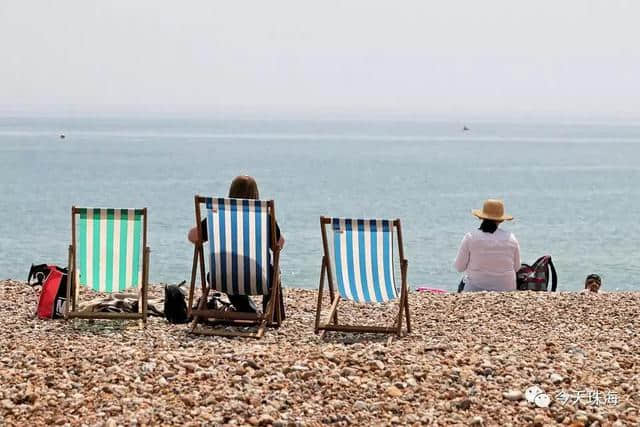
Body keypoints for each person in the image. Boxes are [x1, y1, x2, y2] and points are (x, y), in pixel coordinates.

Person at [188, 175, 285, 319]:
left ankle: (247, 311)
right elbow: (279, 244)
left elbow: (193, 237)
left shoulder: (218, 215)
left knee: (231, 272)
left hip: (220, 277)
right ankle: (274, 316)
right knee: (273, 272)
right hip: (259, 279)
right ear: (255, 193)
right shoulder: (264, 216)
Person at [454, 199, 520, 292]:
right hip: (506, 289)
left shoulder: (470, 237)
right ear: (501, 220)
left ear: (481, 217)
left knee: (464, 282)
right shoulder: (511, 238)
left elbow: (459, 267)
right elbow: (517, 268)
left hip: (475, 289)